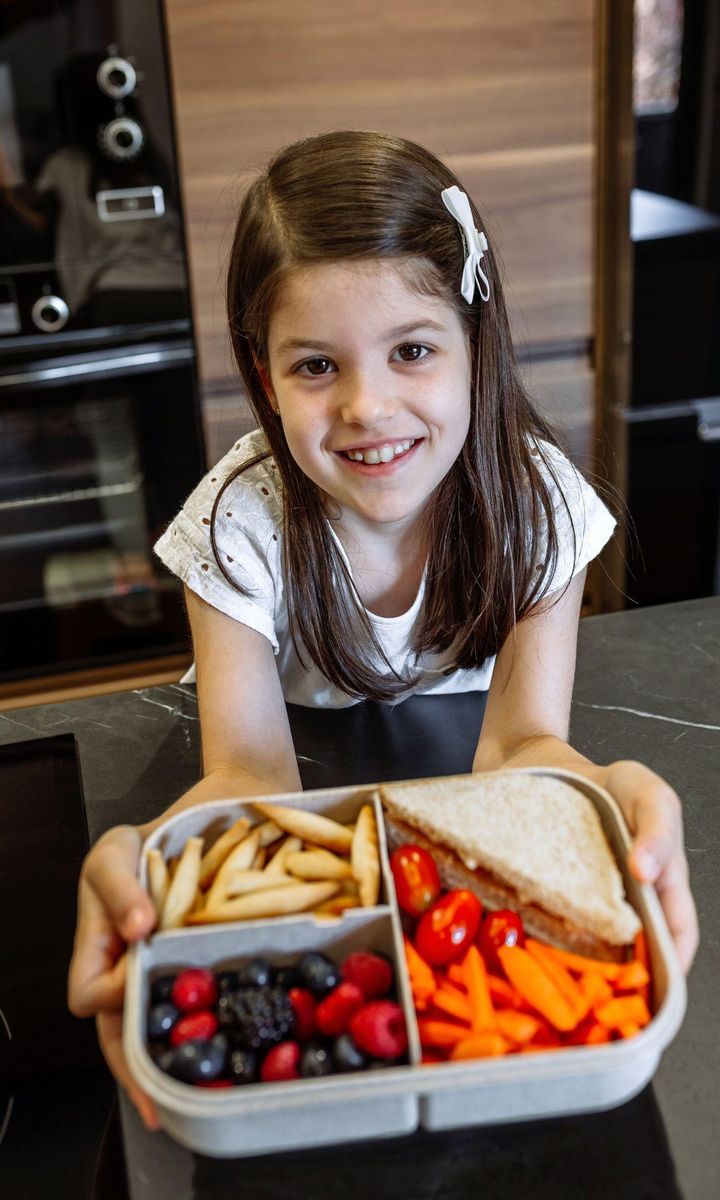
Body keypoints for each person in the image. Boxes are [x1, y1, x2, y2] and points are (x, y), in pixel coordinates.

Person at [68, 130, 699, 1129]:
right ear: (264, 377)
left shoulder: (539, 509)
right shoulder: (241, 521)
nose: (368, 408)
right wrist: (147, 855)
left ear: (474, 342)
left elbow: (522, 746)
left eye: (412, 349)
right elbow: (251, 777)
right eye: (316, 364)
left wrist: (602, 804)